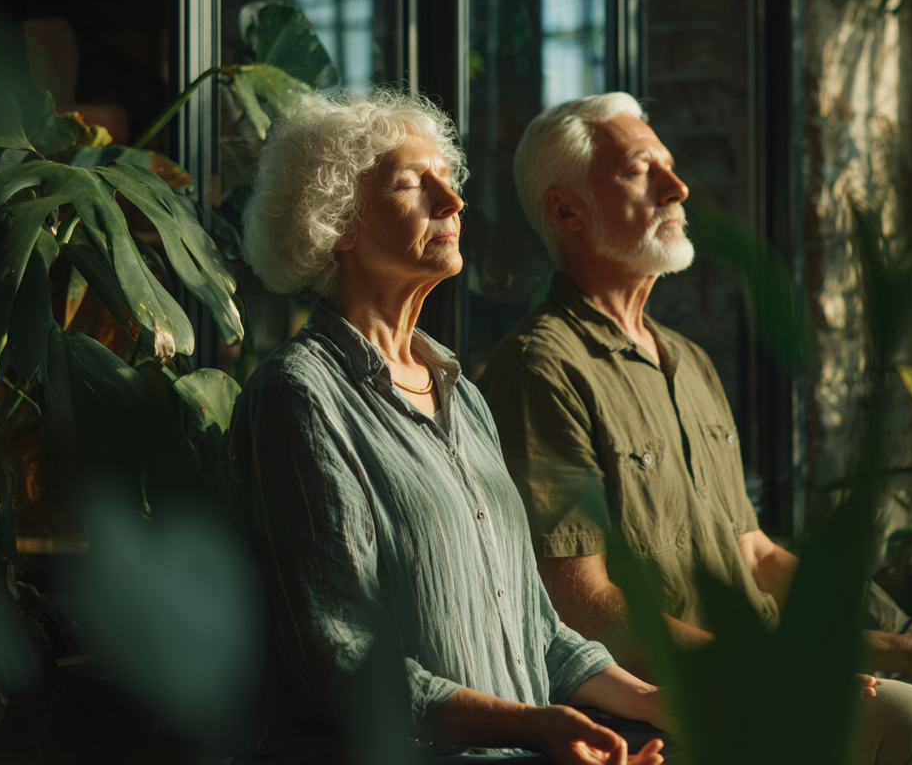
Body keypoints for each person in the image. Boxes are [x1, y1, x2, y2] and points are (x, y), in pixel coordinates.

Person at [479, 92, 912, 765]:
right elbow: (584, 607)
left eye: (670, 167)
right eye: (642, 170)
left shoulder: (687, 359)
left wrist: (907, 639)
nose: (678, 187)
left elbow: (756, 555)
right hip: (679, 700)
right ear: (566, 209)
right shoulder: (541, 369)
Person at [227, 91, 669, 764]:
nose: (452, 201)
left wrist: (653, 701)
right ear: (337, 222)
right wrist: (534, 727)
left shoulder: (460, 393)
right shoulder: (299, 396)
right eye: (412, 183)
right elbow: (340, 658)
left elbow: (537, 629)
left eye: (448, 179)